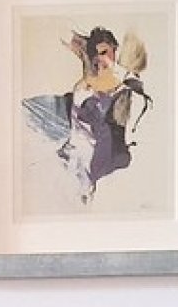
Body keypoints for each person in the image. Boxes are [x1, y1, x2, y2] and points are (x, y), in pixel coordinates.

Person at [21, 26, 151, 203]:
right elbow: (64, 34)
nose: (101, 59)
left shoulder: (123, 82)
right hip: (72, 155)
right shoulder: (87, 82)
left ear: (115, 50)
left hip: (92, 160)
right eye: (96, 54)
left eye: (105, 52)